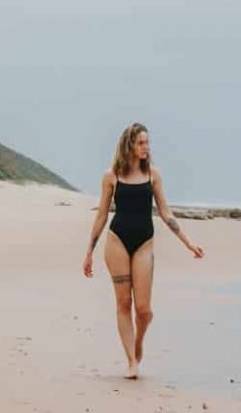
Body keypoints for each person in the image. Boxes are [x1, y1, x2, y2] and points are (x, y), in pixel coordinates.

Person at [82, 122, 204, 378]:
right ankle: (131, 361)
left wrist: (188, 242)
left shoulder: (153, 175)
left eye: (147, 142)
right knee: (124, 303)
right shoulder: (111, 176)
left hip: (144, 244)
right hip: (117, 242)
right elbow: (102, 215)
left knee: (144, 310)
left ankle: (139, 344)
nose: (145, 147)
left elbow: (165, 212)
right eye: (140, 142)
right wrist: (89, 252)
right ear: (129, 144)